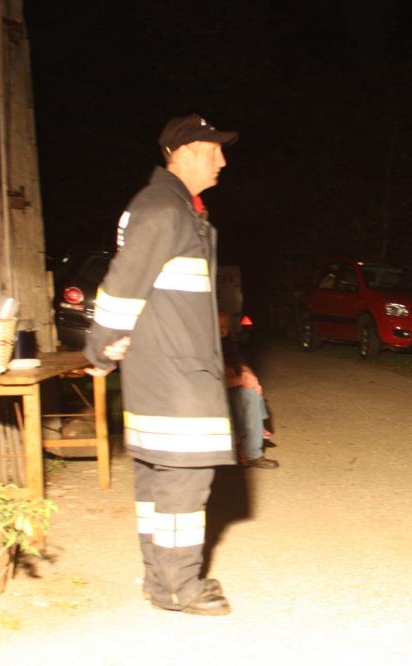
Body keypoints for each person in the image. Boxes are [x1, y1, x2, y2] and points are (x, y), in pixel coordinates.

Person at [85, 114, 238, 616]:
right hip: (176, 374)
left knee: (159, 477)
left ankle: (161, 579)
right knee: (184, 478)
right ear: (187, 150)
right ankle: (177, 587)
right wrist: (100, 346)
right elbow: (123, 282)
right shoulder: (163, 209)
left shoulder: (176, 208)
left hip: (167, 366)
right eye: (214, 149)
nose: (222, 159)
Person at [219, 311, 279, 469]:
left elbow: (240, 364)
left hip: (229, 386)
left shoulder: (227, 344)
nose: (222, 330)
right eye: (219, 326)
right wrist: (242, 380)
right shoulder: (207, 347)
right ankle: (252, 449)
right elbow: (214, 380)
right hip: (214, 392)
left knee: (251, 389)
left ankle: (252, 446)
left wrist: (249, 375)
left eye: (225, 326)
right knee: (247, 394)